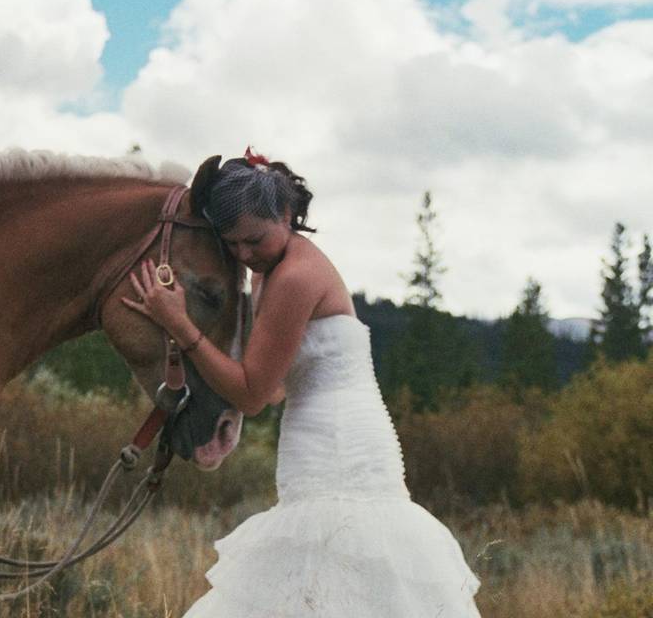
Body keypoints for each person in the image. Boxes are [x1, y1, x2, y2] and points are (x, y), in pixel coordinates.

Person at [121, 149, 482, 617]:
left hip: (340, 450)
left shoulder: (296, 275)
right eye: (232, 245)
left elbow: (250, 395)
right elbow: (272, 388)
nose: (245, 254)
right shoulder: (269, 273)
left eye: (254, 239)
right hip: (312, 443)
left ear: (288, 215)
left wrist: (181, 325)